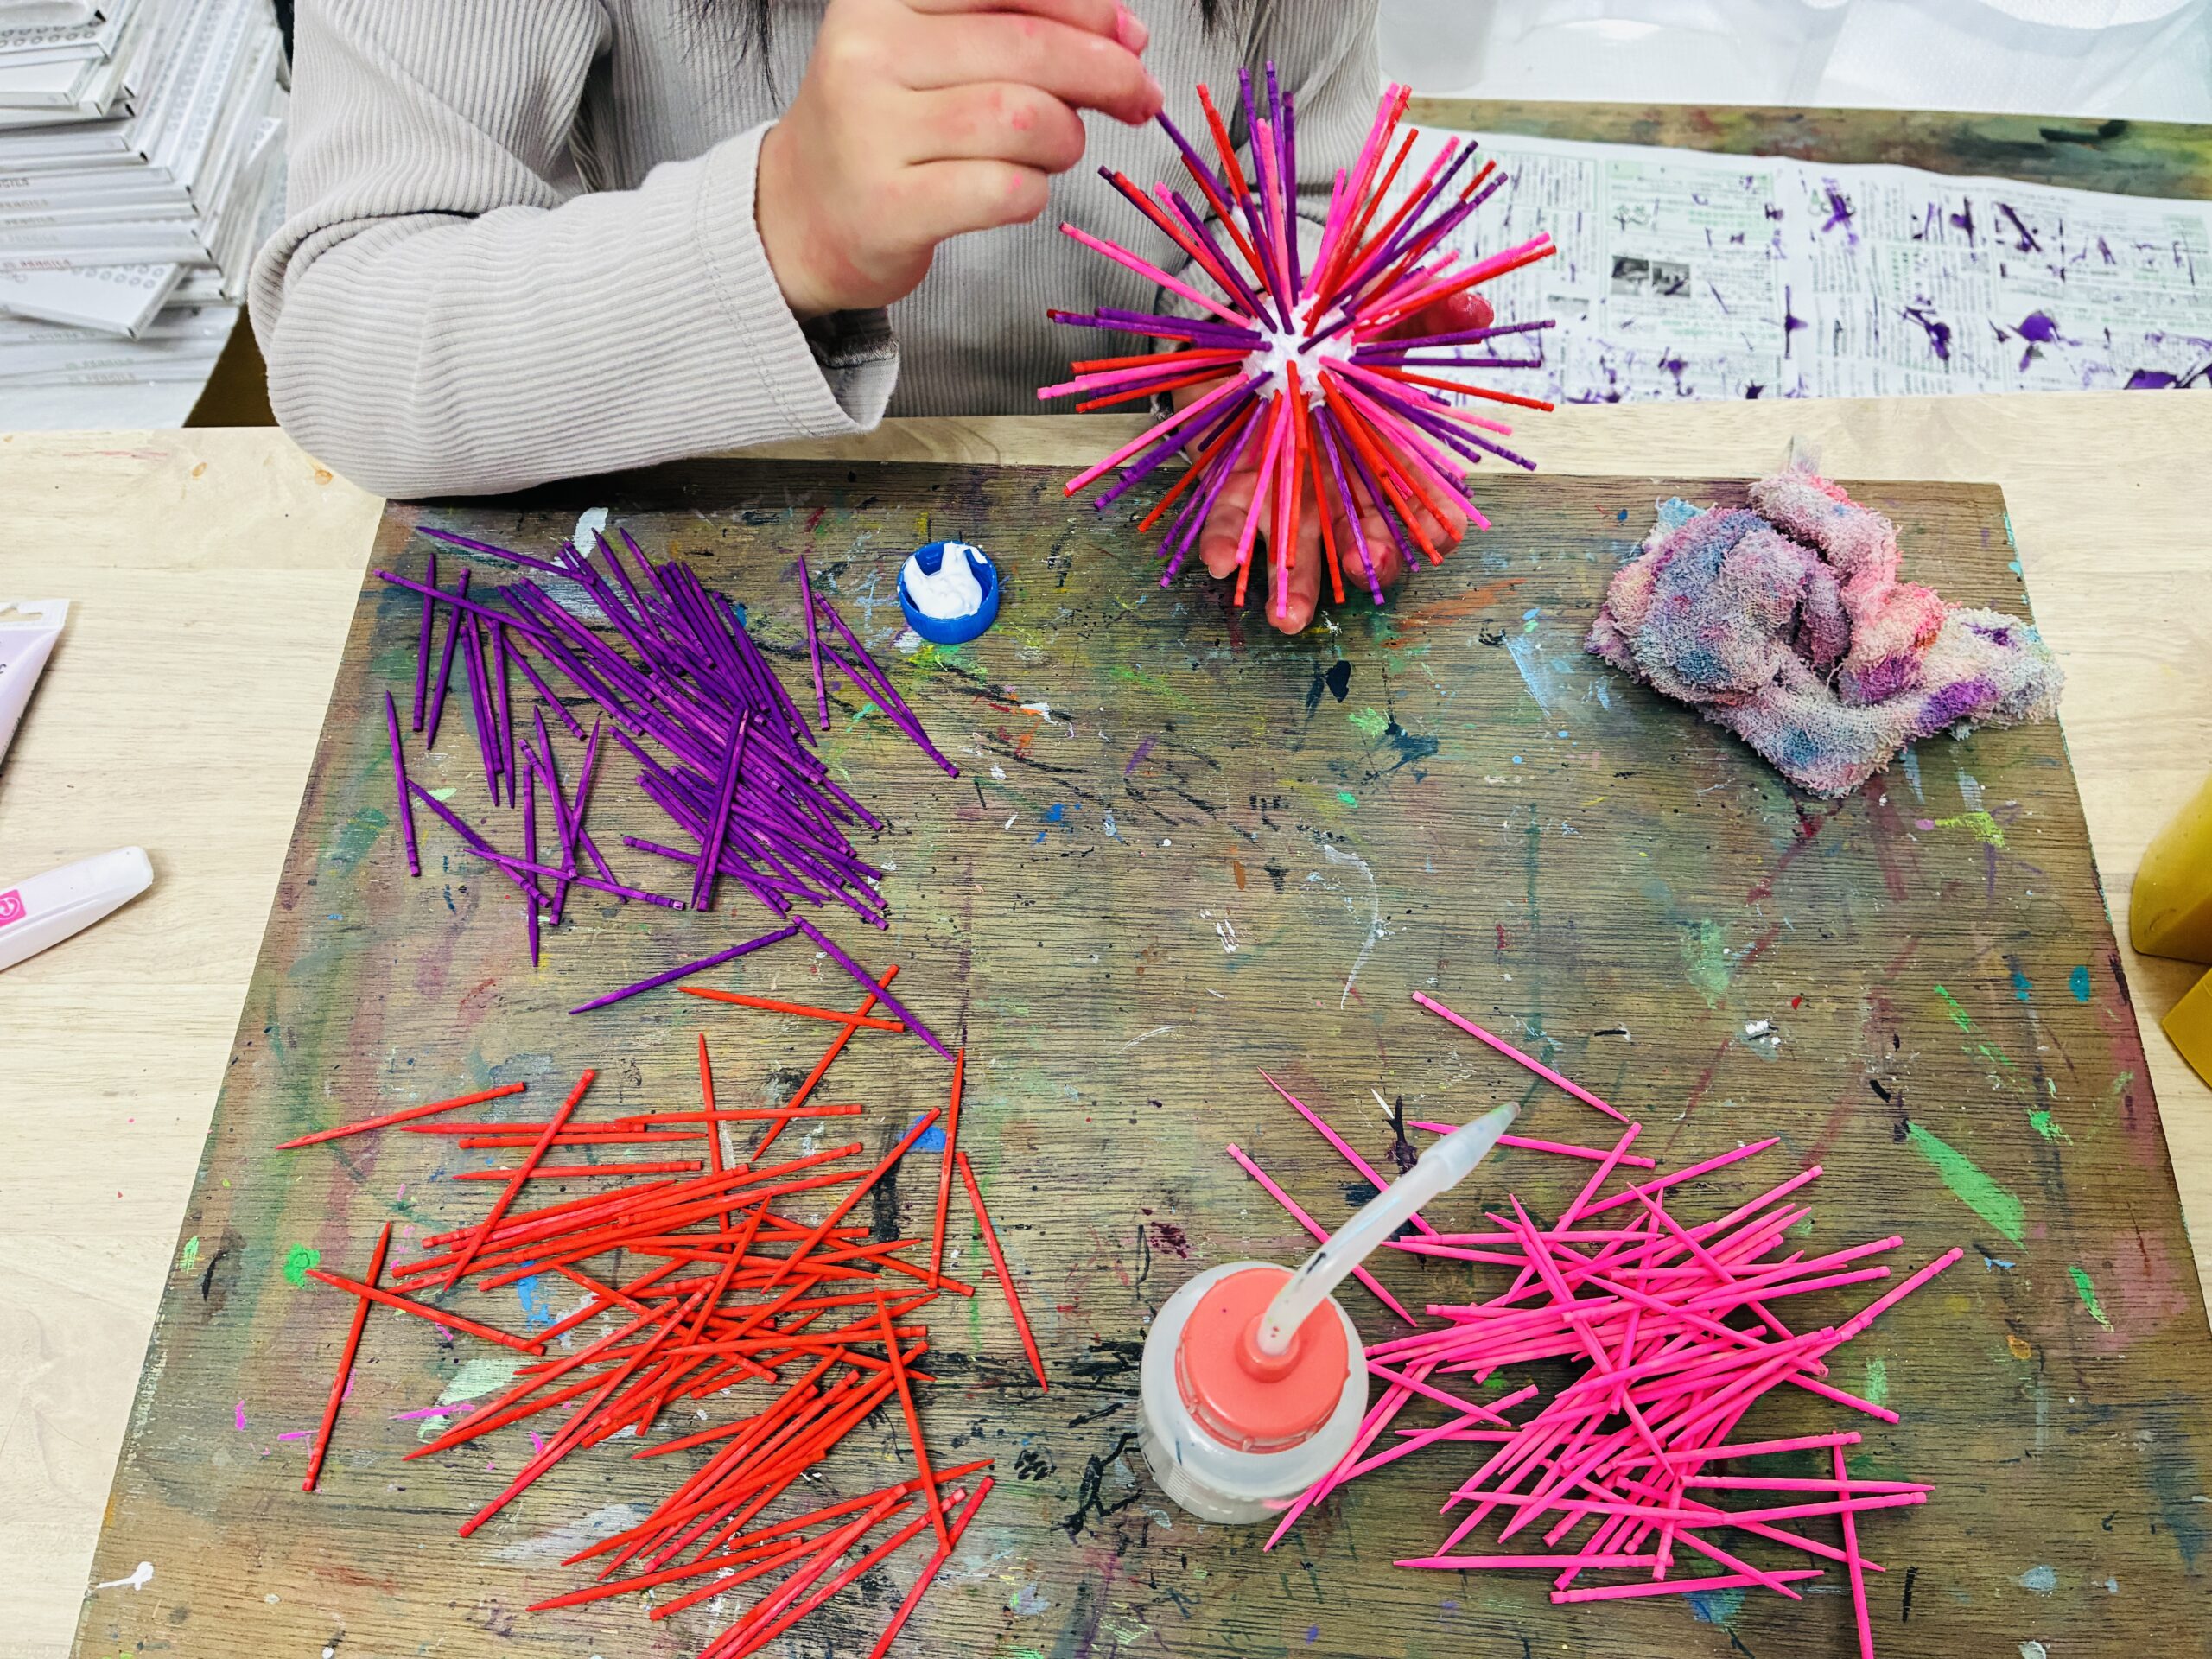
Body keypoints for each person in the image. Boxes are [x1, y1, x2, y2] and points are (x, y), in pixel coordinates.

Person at [253, 0, 1484, 632]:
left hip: (1137, 523)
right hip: (709, 553)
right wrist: (774, 223)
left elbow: (1307, 184)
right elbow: (349, 337)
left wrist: (1263, 341)